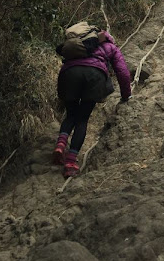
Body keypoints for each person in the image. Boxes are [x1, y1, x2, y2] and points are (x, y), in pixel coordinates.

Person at [53, 30, 132, 178]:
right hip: (94, 76)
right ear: (108, 38)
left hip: (69, 73)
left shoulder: (80, 45)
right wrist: (126, 95)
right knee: (82, 119)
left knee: (71, 115)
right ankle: (70, 163)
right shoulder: (110, 47)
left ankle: (61, 144)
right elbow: (122, 72)